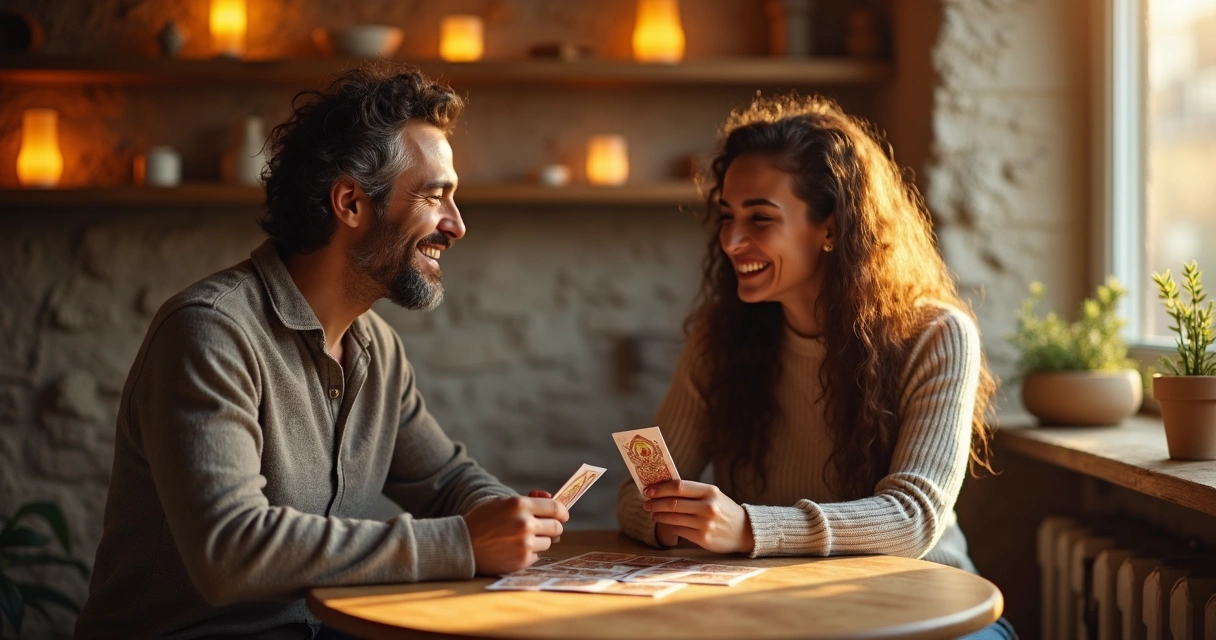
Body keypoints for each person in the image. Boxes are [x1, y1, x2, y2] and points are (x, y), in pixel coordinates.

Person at [76, 68, 568, 639]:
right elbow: (230, 553)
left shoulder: (376, 348)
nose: (457, 225)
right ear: (351, 203)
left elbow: (444, 479)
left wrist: (505, 517)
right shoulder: (210, 333)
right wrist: (463, 543)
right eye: (436, 196)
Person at [616, 94, 1015, 639]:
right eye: (727, 217)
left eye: (760, 218)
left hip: (927, 612)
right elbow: (636, 495)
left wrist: (749, 528)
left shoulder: (937, 335)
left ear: (830, 225)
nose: (732, 241)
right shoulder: (720, 339)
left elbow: (912, 519)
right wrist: (674, 520)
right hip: (776, 615)